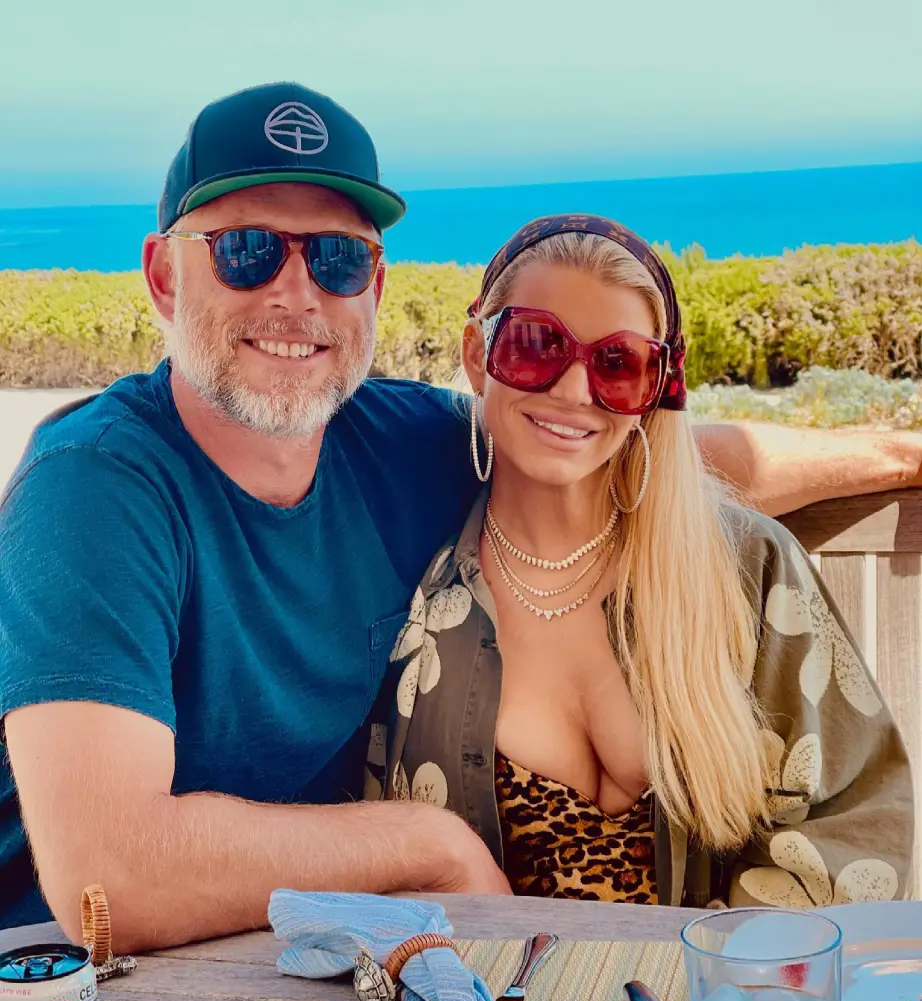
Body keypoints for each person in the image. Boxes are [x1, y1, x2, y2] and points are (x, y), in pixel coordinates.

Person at [0, 83, 919, 949]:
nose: (296, 293)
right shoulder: (94, 488)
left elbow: (605, 442)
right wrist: (427, 848)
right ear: (163, 277)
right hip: (85, 975)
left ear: (375, 286)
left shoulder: (397, 441)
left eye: (336, 256)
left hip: (306, 947)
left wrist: (894, 451)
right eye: (245, 249)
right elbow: (105, 882)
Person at [370, 215, 914, 909]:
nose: (573, 391)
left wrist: (722, 983)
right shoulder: (421, 599)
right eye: (536, 345)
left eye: (618, 363)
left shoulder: (746, 572)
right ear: (477, 354)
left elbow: (858, 818)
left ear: (658, 387)